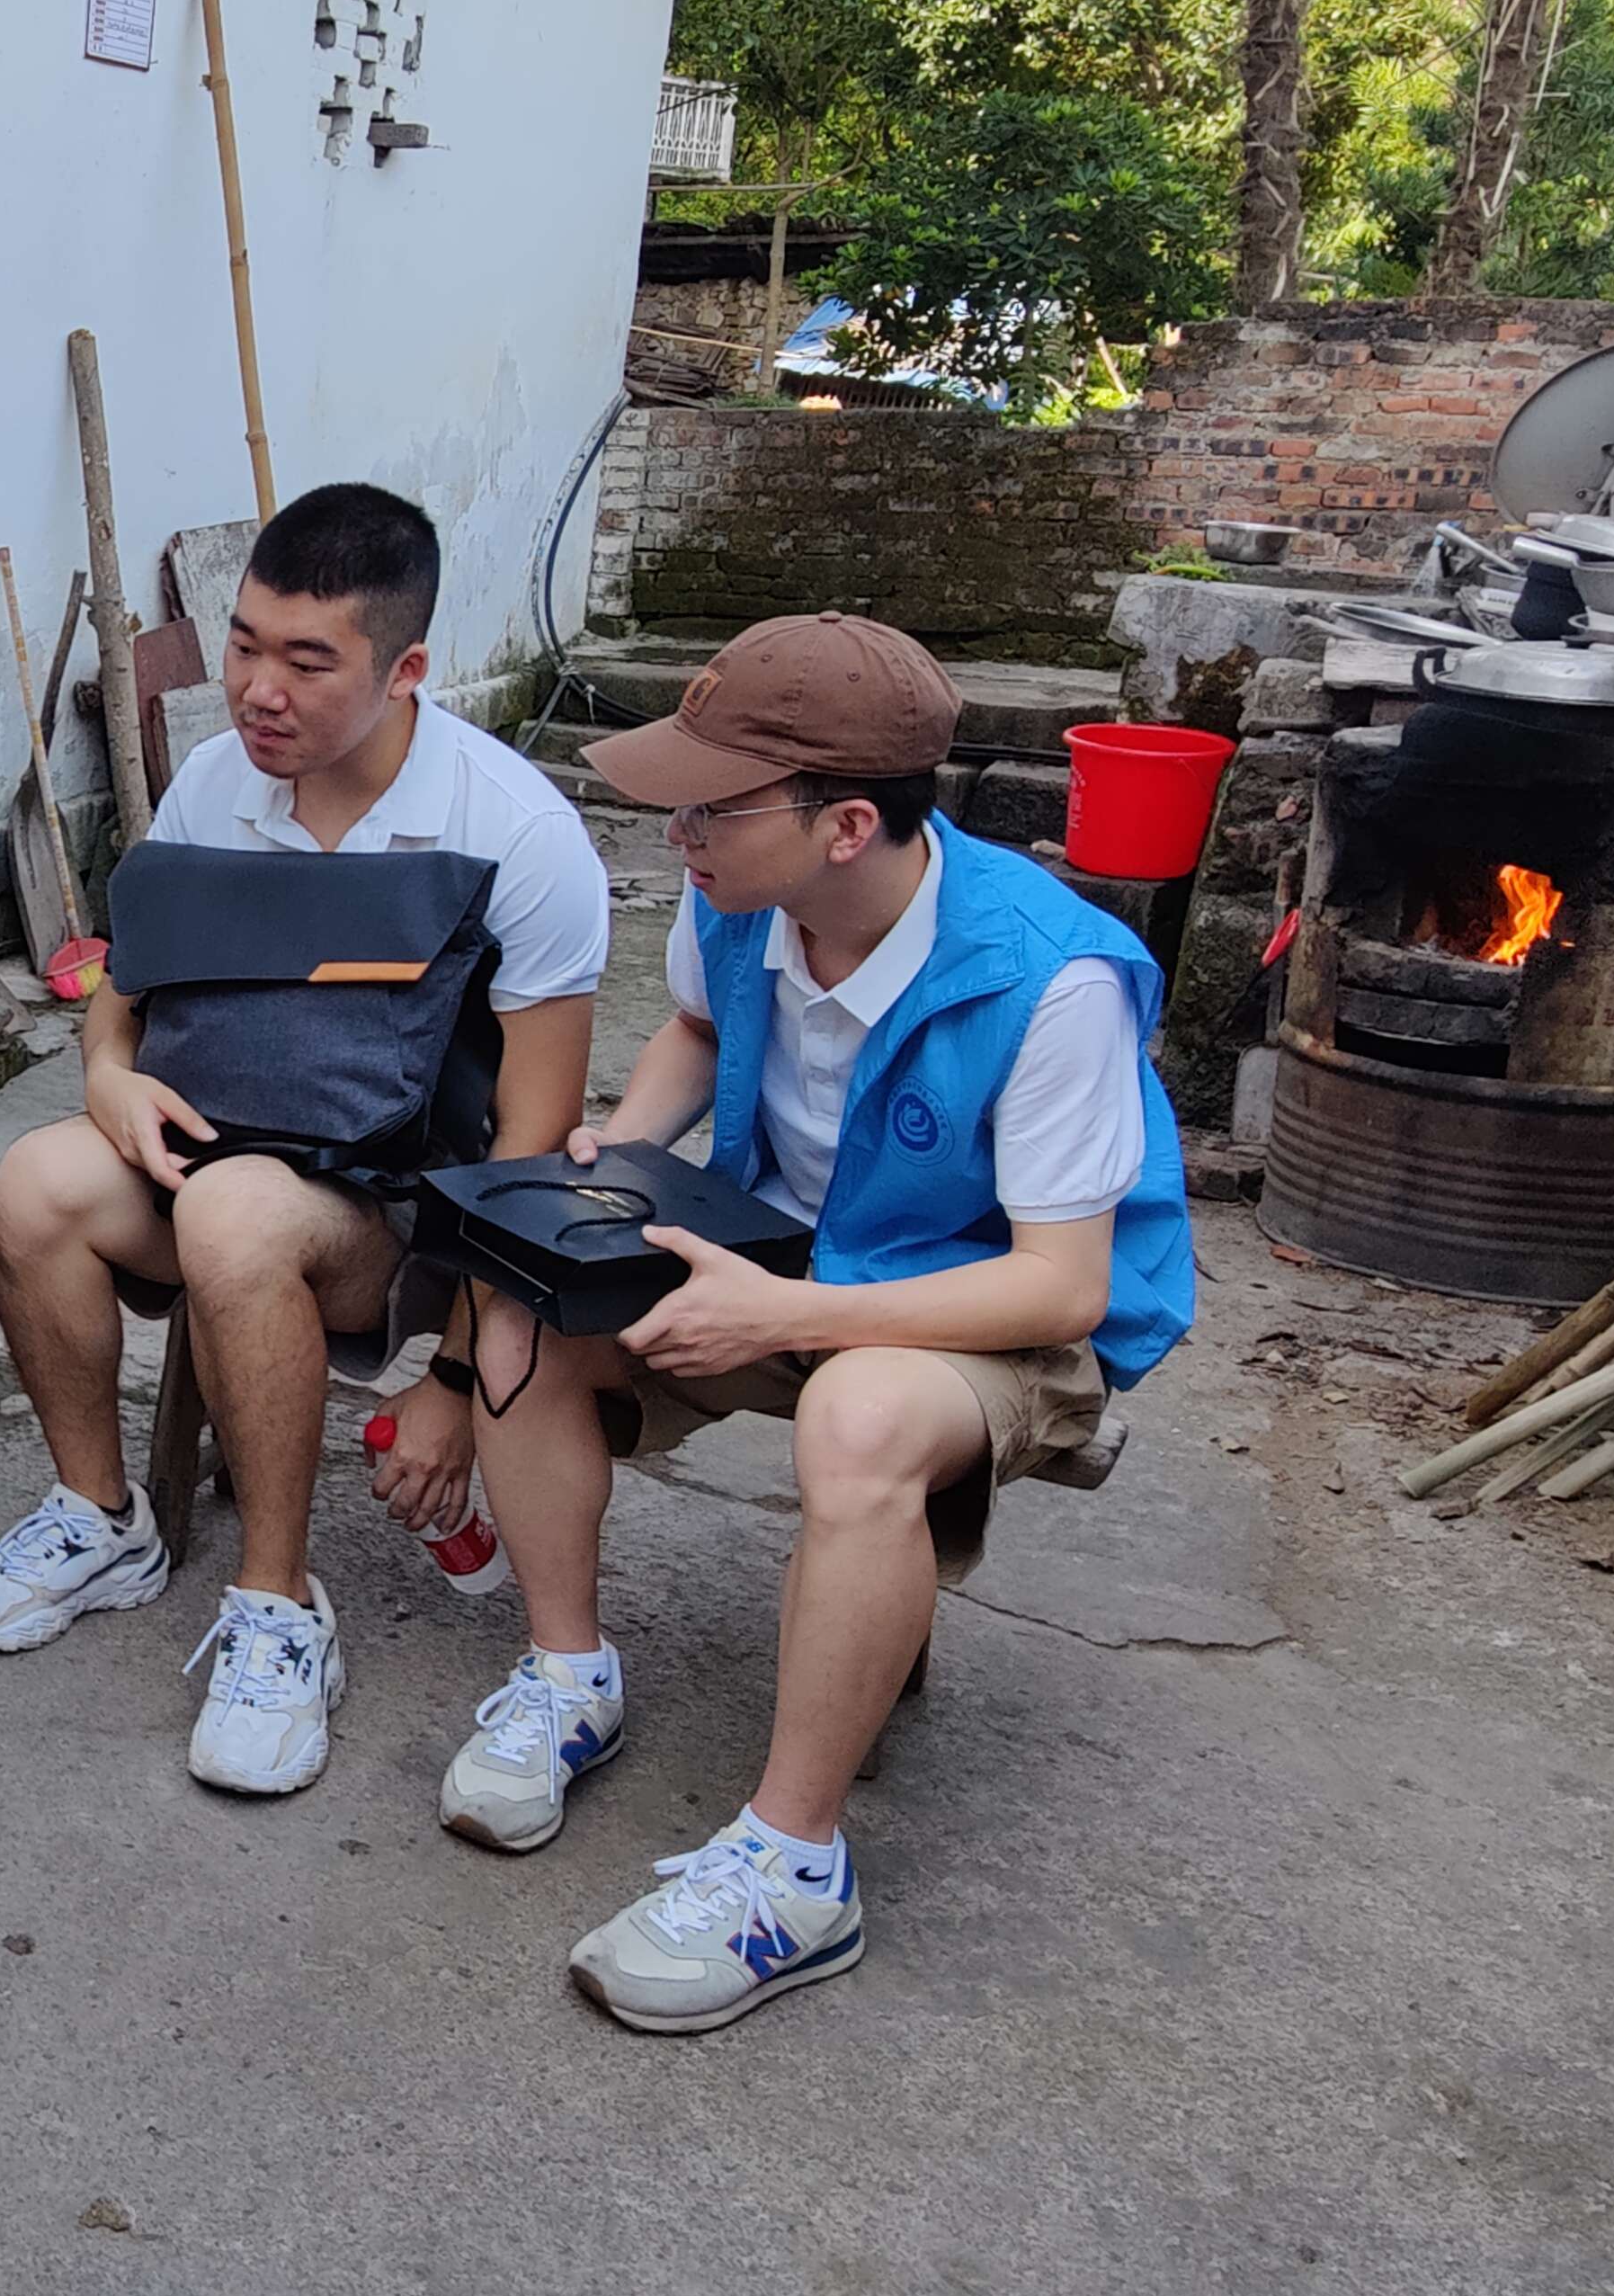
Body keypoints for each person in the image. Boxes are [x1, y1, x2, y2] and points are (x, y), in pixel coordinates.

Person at [441, 613, 1194, 2033]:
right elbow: (700, 1031)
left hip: (984, 1305)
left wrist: (793, 1312)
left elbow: (1062, 1287)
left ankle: (795, 1868)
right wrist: (622, 1150)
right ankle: (566, 1675)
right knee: (526, 1300)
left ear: (846, 826)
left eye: (710, 809)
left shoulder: (1052, 980)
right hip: (779, 1250)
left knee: (858, 1415)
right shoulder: (740, 896)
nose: (679, 836)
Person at [0, 484, 611, 1795]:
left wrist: (457, 1378)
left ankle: (278, 1605)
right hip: (214, 1145)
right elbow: (126, 990)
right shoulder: (214, 783)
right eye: (244, 644)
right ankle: (101, 1516)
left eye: (309, 662)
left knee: (236, 1214)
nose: (258, 690)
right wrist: (108, 1078)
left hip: (400, 1214)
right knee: (35, 1183)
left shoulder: (518, 834)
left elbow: (529, 1153)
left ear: (406, 670)